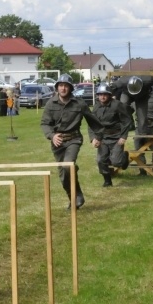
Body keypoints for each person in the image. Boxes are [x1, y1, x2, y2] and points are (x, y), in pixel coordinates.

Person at [40, 74, 104, 209]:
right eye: (60, 86)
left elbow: (93, 121)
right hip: (57, 143)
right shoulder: (50, 104)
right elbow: (45, 124)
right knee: (63, 176)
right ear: (57, 87)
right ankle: (74, 197)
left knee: (67, 165)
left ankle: (76, 192)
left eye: (66, 86)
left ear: (70, 88)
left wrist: (97, 137)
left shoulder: (79, 103)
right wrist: (52, 136)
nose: (63, 88)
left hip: (73, 140)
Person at [88, 83, 132, 187]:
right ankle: (107, 180)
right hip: (102, 137)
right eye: (100, 94)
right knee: (100, 160)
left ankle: (124, 158)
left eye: (105, 94)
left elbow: (126, 120)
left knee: (116, 162)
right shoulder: (96, 107)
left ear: (109, 95)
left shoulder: (116, 104)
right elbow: (92, 123)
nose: (102, 97)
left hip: (116, 137)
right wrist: (93, 138)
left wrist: (123, 136)